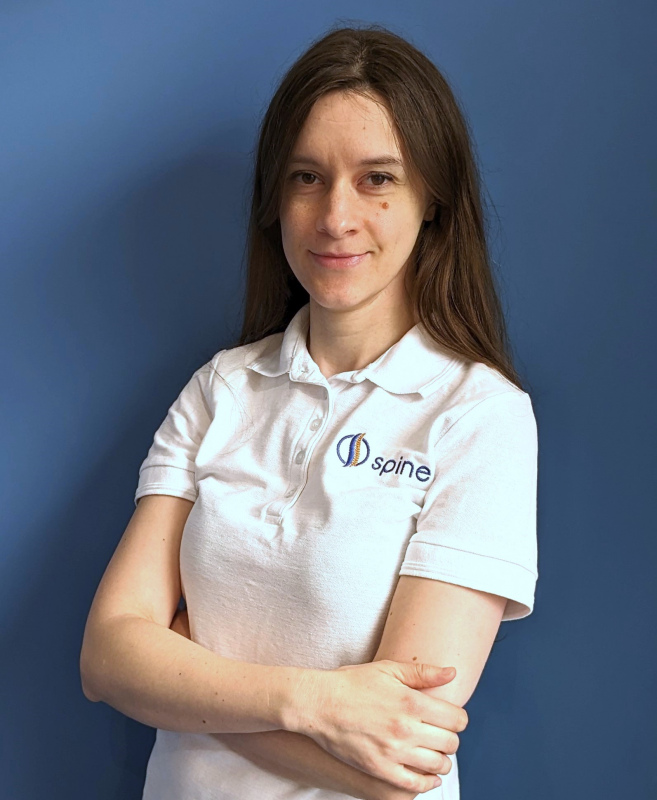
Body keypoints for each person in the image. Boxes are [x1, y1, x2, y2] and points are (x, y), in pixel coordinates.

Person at [80, 23, 538, 800]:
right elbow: (106, 659)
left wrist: (184, 677)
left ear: (432, 198)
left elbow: (397, 767)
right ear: (275, 198)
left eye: (376, 178)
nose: (334, 216)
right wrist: (313, 701)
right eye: (306, 178)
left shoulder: (479, 416)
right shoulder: (220, 389)